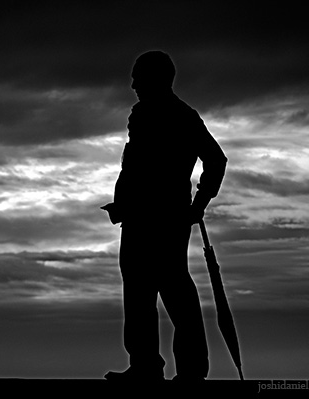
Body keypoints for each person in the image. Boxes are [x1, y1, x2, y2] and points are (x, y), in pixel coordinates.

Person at [102, 50, 227, 382]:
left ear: (156, 79)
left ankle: (190, 370)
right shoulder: (146, 114)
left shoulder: (181, 115)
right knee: (139, 293)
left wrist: (199, 204)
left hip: (165, 220)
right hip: (138, 218)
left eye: (138, 77)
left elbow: (216, 159)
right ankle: (146, 366)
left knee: (174, 291)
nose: (132, 84)